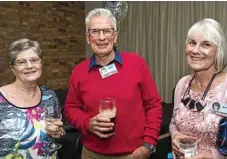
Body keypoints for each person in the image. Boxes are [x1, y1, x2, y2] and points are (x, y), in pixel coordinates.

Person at [64, 8, 162, 159]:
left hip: (134, 154)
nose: (101, 37)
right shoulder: (78, 72)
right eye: (95, 31)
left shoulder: (136, 64)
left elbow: (153, 105)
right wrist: (87, 123)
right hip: (92, 154)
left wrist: (148, 144)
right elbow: (71, 108)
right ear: (88, 37)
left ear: (115, 36)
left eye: (107, 31)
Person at [169, 18, 227, 159]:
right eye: (192, 43)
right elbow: (173, 122)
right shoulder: (182, 84)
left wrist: (212, 155)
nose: (195, 50)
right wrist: (175, 135)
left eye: (206, 44)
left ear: (218, 50)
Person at [0, 38, 64, 159]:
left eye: (34, 60)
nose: (29, 66)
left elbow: (58, 132)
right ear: (13, 68)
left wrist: (59, 132)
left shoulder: (49, 97)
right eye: (21, 62)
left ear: (41, 64)